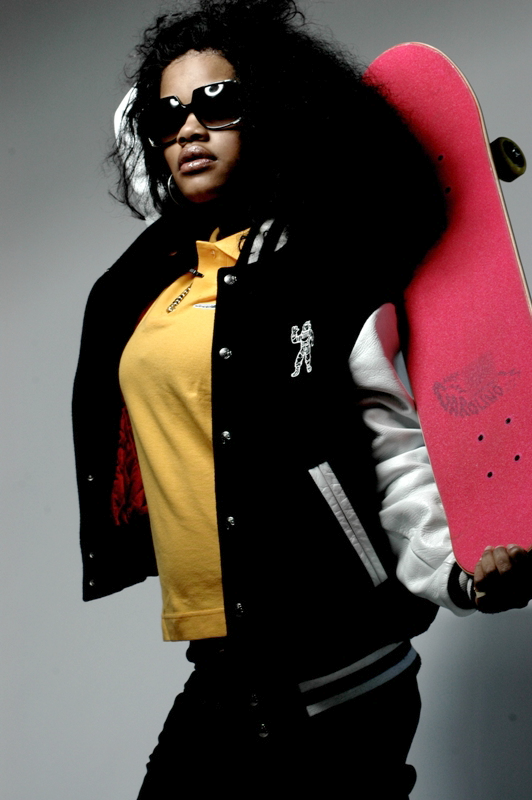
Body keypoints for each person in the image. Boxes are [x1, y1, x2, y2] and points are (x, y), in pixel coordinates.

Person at [72, 0, 532, 796]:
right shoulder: (144, 285)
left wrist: (458, 573)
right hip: (226, 662)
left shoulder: (324, 269)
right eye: (168, 114)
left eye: (218, 103)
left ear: (271, 110)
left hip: (339, 670)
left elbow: (390, 444)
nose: (190, 129)